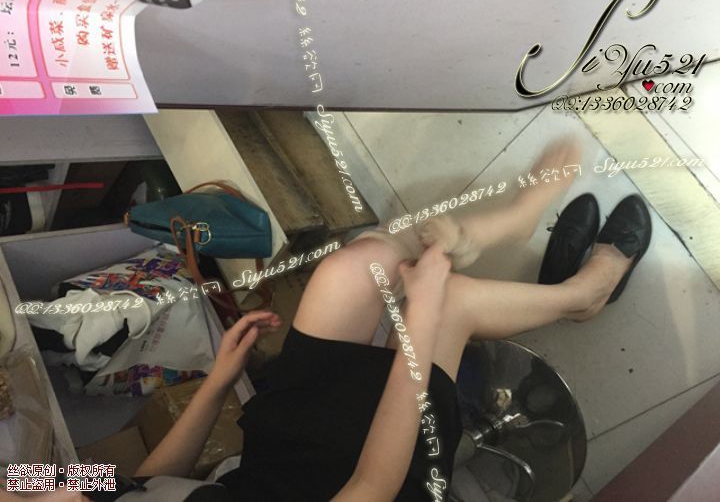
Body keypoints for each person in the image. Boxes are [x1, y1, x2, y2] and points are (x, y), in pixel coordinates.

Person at [129, 140, 650, 501]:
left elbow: (140, 482)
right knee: (448, 303)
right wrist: (420, 319)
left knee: (353, 270)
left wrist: (218, 383)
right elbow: (371, 487)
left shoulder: (73, 482)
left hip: (272, 465)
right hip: (365, 484)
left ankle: (513, 223)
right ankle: (582, 296)